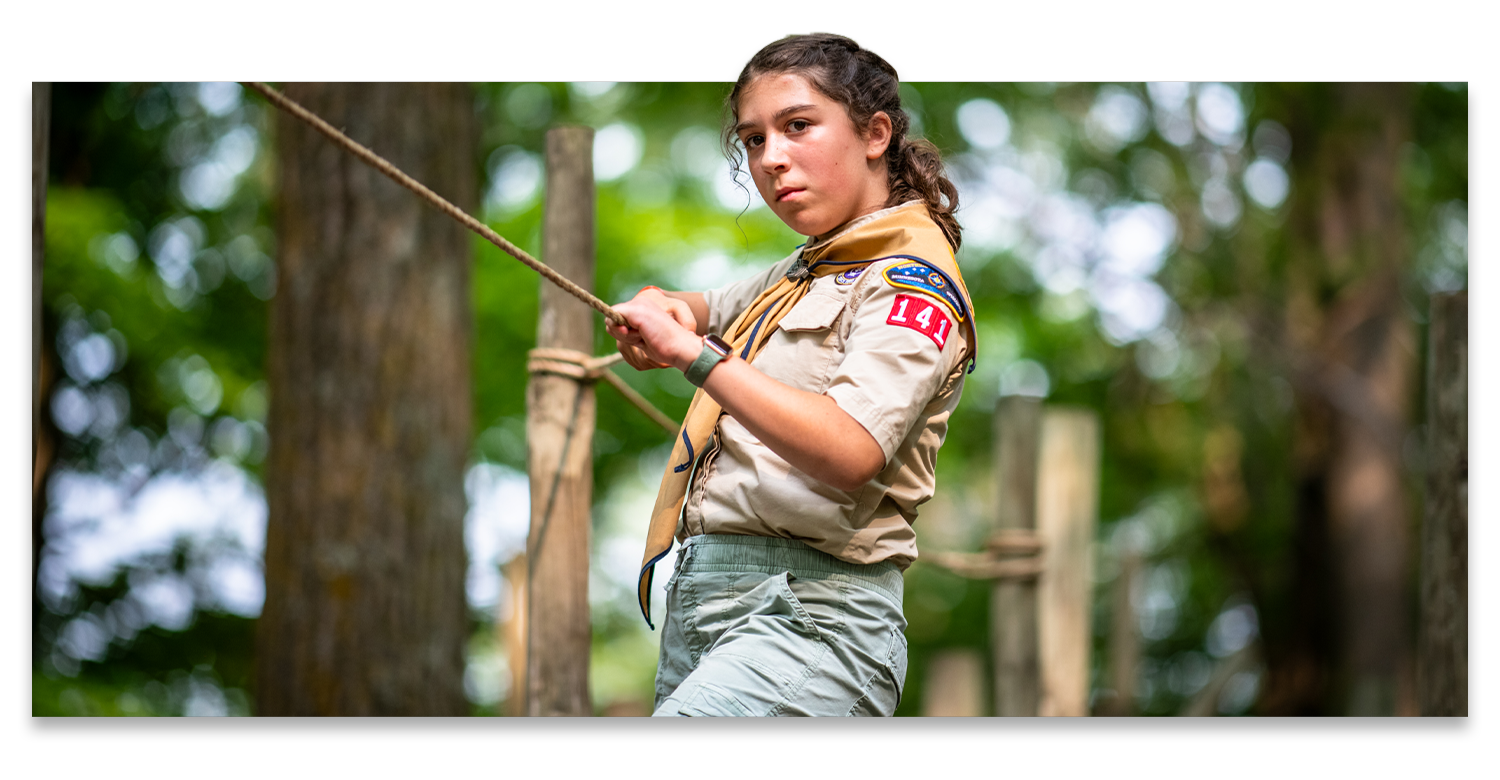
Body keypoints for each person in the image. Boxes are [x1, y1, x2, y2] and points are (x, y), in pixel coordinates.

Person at [605, 33, 976, 717]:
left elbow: (850, 449)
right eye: (753, 139)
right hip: (702, 613)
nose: (771, 157)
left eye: (798, 125)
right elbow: (702, 307)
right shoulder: (807, 270)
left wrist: (693, 355)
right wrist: (658, 309)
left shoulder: (910, 284)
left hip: (815, 618)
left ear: (875, 134)